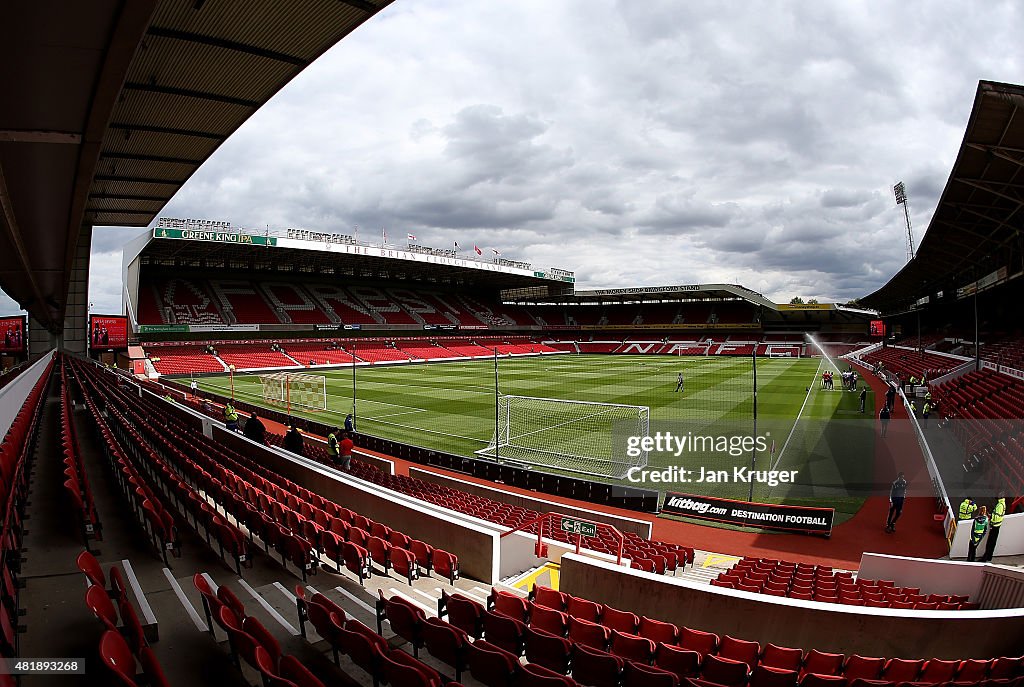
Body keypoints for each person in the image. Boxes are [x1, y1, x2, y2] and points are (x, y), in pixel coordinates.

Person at [981, 496, 1006, 562]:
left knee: (990, 544)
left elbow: (996, 517)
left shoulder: (1000, 505)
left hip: (994, 526)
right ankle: (989, 557)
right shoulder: (1003, 504)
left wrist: (991, 521)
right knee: (992, 543)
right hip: (997, 526)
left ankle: (985, 558)